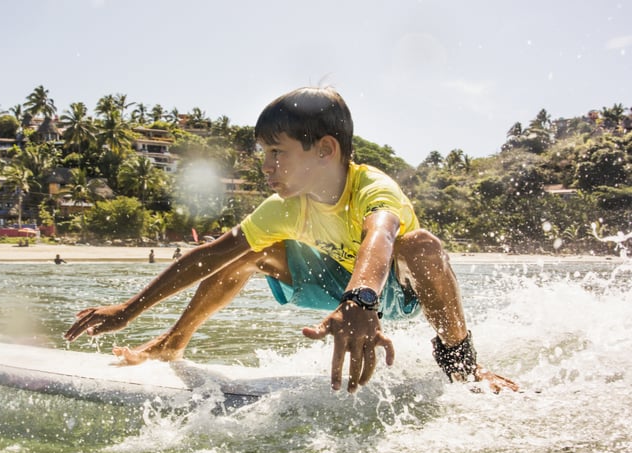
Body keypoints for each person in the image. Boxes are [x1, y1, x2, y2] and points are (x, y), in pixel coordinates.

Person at [65, 87, 518, 394]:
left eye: (277, 153)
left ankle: (463, 365)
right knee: (249, 250)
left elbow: (380, 237)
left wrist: (360, 301)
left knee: (422, 245)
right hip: (337, 288)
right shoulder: (286, 205)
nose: (266, 166)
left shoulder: (373, 189)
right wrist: (128, 310)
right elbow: (208, 255)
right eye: (264, 154)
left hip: (391, 292)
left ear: (325, 150)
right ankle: (173, 341)